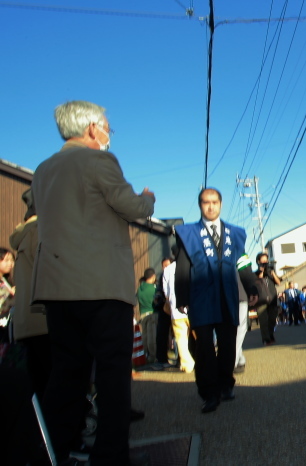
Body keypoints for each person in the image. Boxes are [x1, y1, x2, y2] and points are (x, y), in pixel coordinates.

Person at [31, 100, 155, 465]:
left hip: (56, 288)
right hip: (100, 285)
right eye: (106, 127)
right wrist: (147, 197)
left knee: (67, 374)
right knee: (113, 375)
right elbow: (132, 207)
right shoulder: (99, 161)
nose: (107, 134)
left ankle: (52, 451)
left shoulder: (42, 170)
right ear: (90, 129)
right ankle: (111, 457)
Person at [173, 188, 258, 413]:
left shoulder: (235, 234)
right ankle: (209, 393)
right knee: (204, 348)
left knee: (229, 344)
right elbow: (182, 267)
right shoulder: (188, 234)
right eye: (205, 203)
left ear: (220, 204)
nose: (210, 206)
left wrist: (251, 285)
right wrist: (181, 296)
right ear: (200, 205)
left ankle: (225, 384)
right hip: (200, 297)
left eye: (214, 202)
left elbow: (243, 262)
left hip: (227, 295)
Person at [9, 190, 50, 399]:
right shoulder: (40, 230)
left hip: (26, 320)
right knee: (52, 384)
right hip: (45, 318)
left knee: (36, 382)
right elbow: (51, 270)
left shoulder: (22, 234)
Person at [162, 255, 195, 373]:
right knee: (199, 335)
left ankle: (187, 364)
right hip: (193, 307)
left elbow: (166, 292)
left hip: (176, 309)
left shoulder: (167, 270)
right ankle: (205, 359)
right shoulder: (192, 264)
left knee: (181, 339)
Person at [254, 252, 281, 345]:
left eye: (266, 259)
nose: (265, 261)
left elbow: (278, 282)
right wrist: (261, 270)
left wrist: (272, 273)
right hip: (261, 300)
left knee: (272, 319)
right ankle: (266, 338)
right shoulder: (256, 273)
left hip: (272, 298)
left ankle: (270, 334)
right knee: (263, 320)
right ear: (258, 261)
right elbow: (259, 279)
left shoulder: (271, 271)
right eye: (263, 259)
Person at [136, 268, 158, 364]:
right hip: (152, 313)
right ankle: (153, 357)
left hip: (142, 314)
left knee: (144, 336)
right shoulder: (154, 288)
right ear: (153, 276)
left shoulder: (140, 289)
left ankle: (144, 354)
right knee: (151, 336)